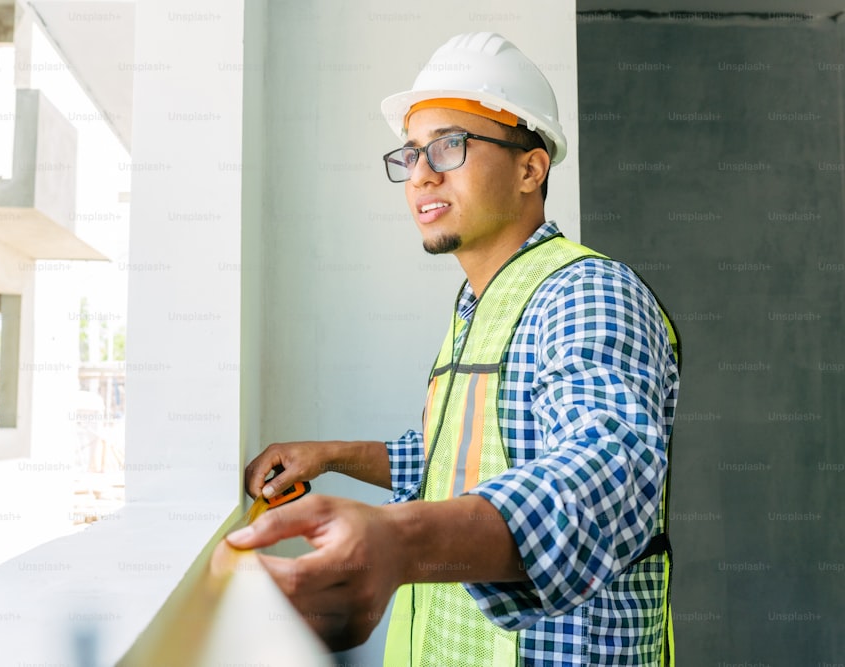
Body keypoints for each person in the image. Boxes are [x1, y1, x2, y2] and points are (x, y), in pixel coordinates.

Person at [226, 32, 680, 666]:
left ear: (531, 168)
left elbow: (606, 470)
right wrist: (330, 455)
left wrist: (398, 542)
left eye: (449, 146)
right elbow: (455, 462)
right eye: (411, 153)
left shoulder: (586, 292)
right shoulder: (481, 304)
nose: (421, 175)